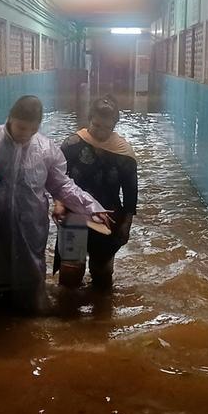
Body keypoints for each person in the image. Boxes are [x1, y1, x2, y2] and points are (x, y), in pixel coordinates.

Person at [0, 95, 110, 313]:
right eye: (20, 127)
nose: (24, 134)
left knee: (29, 278)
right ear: (10, 119)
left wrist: (92, 207)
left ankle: (30, 315)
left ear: (38, 126)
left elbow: (62, 185)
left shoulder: (46, 150)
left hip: (29, 227)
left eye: (31, 129)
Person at [53, 96, 138, 290]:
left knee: (102, 276)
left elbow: (131, 193)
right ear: (90, 119)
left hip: (107, 218)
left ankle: (100, 318)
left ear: (114, 125)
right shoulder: (72, 145)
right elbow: (57, 179)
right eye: (96, 125)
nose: (100, 132)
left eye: (106, 128)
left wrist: (126, 225)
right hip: (74, 215)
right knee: (70, 275)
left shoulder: (124, 154)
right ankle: (69, 316)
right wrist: (58, 204)